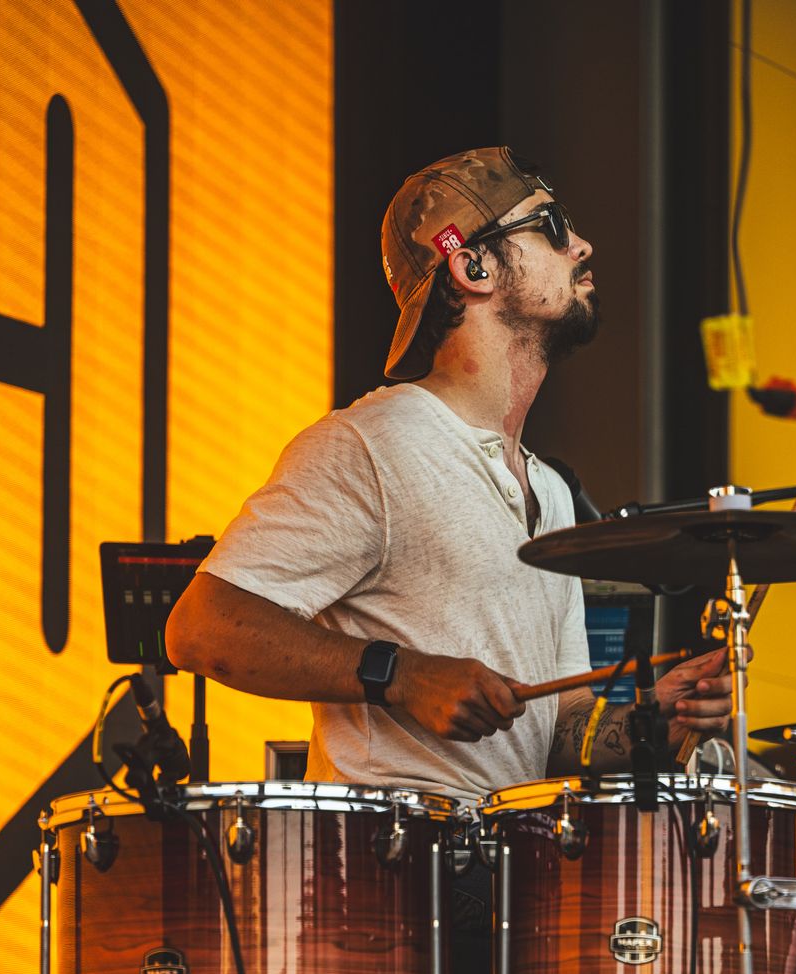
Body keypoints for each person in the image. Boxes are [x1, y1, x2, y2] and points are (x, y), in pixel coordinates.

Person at [164, 146, 734, 797]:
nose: (581, 246)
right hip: (391, 854)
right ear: (472, 265)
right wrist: (402, 675)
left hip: (508, 851)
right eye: (551, 226)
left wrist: (651, 720)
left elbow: (557, 732)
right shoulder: (371, 444)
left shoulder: (550, 491)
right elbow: (201, 627)